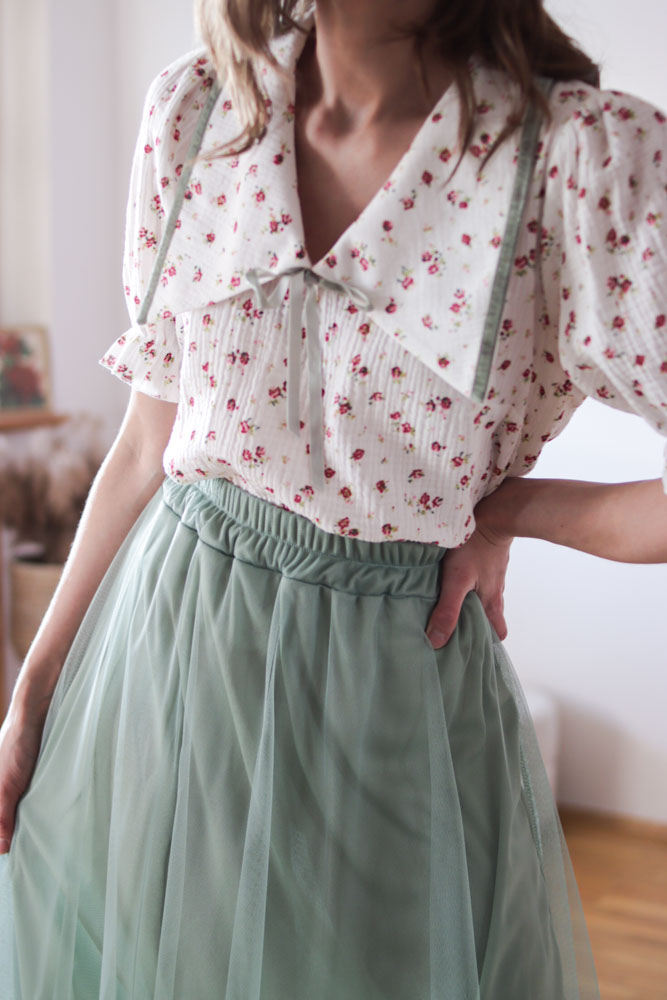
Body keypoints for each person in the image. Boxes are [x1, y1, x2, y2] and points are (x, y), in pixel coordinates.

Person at [1, 0, 666, 996]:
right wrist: (35, 691)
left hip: (385, 702)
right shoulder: (200, 111)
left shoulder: (577, 162)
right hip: (167, 663)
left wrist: (511, 510)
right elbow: (147, 443)